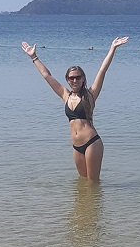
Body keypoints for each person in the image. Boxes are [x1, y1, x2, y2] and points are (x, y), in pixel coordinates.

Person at [22, 36, 130, 181]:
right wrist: (34, 57)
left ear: (83, 78)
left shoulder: (90, 95)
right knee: (82, 184)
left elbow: (102, 71)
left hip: (92, 142)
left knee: (92, 184)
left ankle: (95, 204)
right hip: (76, 147)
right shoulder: (65, 95)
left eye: (78, 77)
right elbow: (47, 75)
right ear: (67, 80)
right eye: (71, 78)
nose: (74, 80)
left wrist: (112, 48)